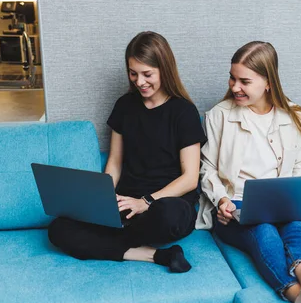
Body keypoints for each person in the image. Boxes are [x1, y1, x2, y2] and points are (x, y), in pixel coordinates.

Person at [197, 41, 301, 303]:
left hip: (282, 201)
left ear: (268, 82)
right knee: (265, 232)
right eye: (232, 78)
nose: (235, 87)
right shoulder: (219, 115)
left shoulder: (295, 116)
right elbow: (206, 169)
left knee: (295, 225)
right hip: (234, 206)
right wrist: (220, 201)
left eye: (245, 81)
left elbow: (299, 167)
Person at [48, 31, 206, 273]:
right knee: (58, 229)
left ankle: (107, 240)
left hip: (165, 204)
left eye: (147, 74)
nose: (139, 82)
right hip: (126, 204)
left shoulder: (183, 112)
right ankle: (156, 255)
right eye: (133, 73)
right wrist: (102, 199)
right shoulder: (125, 106)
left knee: (169, 215)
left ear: (165, 69)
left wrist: (146, 202)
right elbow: (115, 162)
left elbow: (190, 178)